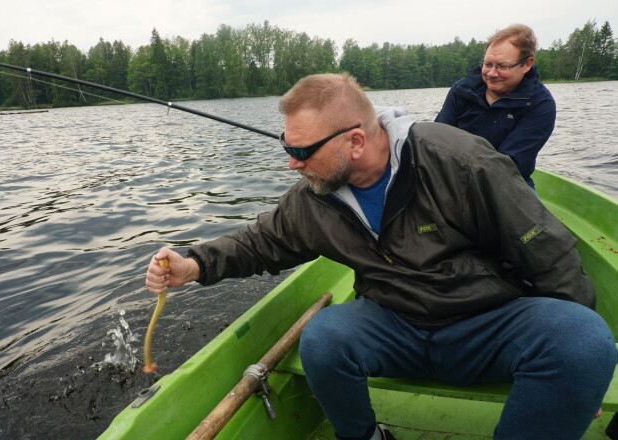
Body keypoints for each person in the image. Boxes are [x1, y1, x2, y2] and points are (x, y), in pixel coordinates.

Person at [145, 73, 616, 440]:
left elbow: (546, 250)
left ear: (355, 141)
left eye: (302, 150)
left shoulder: (461, 161)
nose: (291, 162)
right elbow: (259, 242)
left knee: (584, 342)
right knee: (324, 337)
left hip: (486, 323)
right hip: (397, 327)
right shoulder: (315, 194)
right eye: (287, 147)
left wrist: (578, 377)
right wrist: (194, 264)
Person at [435, 24, 555, 190]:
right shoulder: (461, 90)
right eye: (487, 64)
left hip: (509, 184)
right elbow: (437, 140)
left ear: (527, 64)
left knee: (533, 216)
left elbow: (508, 165)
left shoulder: (540, 104)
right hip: (452, 178)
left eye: (502, 66)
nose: (491, 73)